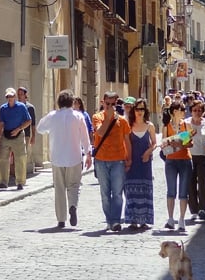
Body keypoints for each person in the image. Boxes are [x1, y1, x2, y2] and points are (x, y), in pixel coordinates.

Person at [36, 89, 90, 228]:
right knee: (74, 185)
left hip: (57, 157)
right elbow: (85, 137)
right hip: (74, 156)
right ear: (72, 102)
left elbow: (40, 128)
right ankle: (73, 205)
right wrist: (88, 153)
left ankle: (61, 219)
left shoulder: (53, 116)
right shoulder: (78, 116)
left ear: (58, 102)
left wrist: (51, 128)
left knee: (59, 188)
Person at [89, 91, 132, 231]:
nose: (110, 106)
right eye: (108, 104)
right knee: (105, 193)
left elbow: (127, 141)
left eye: (113, 104)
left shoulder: (123, 121)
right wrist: (108, 117)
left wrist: (129, 158)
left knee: (117, 193)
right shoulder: (97, 117)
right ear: (103, 102)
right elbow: (100, 133)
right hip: (101, 160)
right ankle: (108, 219)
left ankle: (115, 221)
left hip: (118, 160)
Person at [161, 101, 194, 233]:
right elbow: (164, 144)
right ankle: (170, 219)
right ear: (175, 111)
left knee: (183, 192)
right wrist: (171, 142)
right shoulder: (166, 126)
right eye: (182, 110)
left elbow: (190, 143)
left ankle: (181, 219)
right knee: (171, 190)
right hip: (171, 161)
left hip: (185, 159)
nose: (184, 112)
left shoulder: (187, 125)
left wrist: (179, 144)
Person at [124, 98, 156, 229]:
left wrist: (149, 152)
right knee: (131, 189)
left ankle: (144, 219)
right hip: (132, 161)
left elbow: (154, 143)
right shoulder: (128, 125)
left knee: (144, 189)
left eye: (142, 109)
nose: (140, 112)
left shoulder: (150, 126)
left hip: (145, 162)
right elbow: (125, 143)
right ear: (133, 110)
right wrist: (127, 160)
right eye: (137, 109)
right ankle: (132, 219)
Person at [0, 87, 32, 190]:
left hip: (18, 135)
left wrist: (18, 129)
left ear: (15, 96)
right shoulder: (3, 108)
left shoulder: (21, 107)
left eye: (11, 96)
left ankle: (20, 182)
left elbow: (29, 121)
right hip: (6, 135)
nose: (9, 98)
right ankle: (3, 181)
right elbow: (1, 124)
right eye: (8, 96)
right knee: (3, 158)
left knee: (20, 158)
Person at [187, 100, 205, 221]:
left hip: (203, 156)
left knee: (202, 182)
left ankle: (203, 209)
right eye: (195, 110)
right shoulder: (186, 123)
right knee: (190, 183)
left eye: (199, 110)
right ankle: (193, 209)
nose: (197, 112)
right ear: (191, 111)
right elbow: (181, 138)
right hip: (189, 156)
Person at [17, 86, 38, 169]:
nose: (19, 96)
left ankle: (21, 171)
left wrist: (33, 137)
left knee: (23, 154)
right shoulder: (15, 106)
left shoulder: (30, 108)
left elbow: (33, 124)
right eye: (18, 94)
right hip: (15, 134)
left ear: (25, 95)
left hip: (26, 134)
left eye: (21, 94)